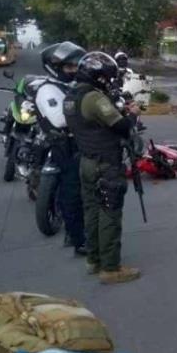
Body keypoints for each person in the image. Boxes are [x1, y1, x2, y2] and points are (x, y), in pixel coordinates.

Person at [63, 52, 142, 284]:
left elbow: (94, 124)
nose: (109, 82)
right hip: (105, 165)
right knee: (109, 213)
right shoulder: (94, 99)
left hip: (86, 162)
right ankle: (110, 268)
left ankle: (94, 260)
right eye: (107, 78)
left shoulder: (71, 96)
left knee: (92, 212)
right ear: (98, 76)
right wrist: (133, 115)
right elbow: (122, 128)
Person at [36, 41, 87, 256]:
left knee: (82, 191)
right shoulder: (48, 89)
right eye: (69, 68)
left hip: (76, 144)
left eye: (76, 67)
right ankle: (78, 239)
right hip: (64, 147)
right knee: (72, 192)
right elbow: (59, 120)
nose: (74, 71)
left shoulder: (68, 86)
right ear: (55, 68)